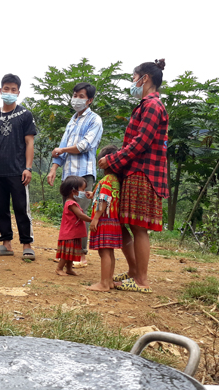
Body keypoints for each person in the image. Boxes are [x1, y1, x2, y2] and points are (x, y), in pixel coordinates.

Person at [99, 59, 169, 293]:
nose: (132, 83)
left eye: (133, 78)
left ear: (144, 78)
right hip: (137, 171)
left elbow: (140, 143)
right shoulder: (148, 105)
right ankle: (134, 272)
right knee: (127, 223)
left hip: (143, 173)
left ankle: (142, 279)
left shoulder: (152, 106)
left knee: (139, 227)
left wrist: (112, 160)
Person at [47, 82, 103, 267]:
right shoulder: (72, 120)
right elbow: (61, 149)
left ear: (90, 100)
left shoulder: (94, 120)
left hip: (83, 177)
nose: (76, 99)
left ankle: (82, 255)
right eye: (75, 95)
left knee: (81, 213)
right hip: (68, 177)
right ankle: (67, 255)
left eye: (81, 96)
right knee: (69, 215)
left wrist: (61, 149)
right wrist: (54, 168)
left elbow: (83, 146)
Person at [0, 74, 38, 260]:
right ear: (0, 90)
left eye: (13, 90)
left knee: (21, 207)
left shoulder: (25, 115)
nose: (9, 92)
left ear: (18, 92)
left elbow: (29, 142)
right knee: (0, 208)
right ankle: (6, 243)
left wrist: (28, 168)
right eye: (6, 89)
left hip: (18, 170)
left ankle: (27, 244)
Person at [86, 145, 123, 292]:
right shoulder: (115, 180)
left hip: (104, 220)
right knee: (109, 252)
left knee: (104, 252)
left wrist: (95, 219)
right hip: (113, 220)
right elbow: (102, 195)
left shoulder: (106, 180)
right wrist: (92, 194)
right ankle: (109, 281)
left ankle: (104, 284)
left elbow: (103, 200)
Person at [56, 176, 92, 276]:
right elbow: (80, 215)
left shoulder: (72, 202)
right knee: (66, 253)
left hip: (73, 233)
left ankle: (69, 269)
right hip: (69, 233)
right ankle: (59, 268)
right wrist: (92, 220)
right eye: (82, 189)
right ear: (74, 191)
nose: (83, 192)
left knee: (71, 252)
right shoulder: (71, 203)